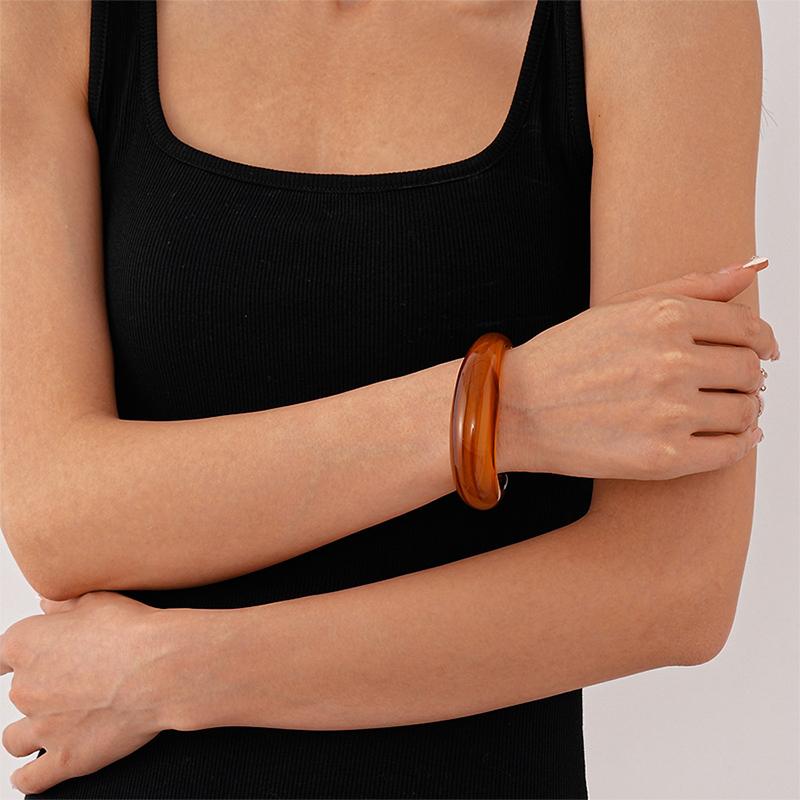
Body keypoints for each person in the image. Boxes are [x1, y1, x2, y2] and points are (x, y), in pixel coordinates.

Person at [0, 0, 777, 797]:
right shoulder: (52, 15)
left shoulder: (662, 18)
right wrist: (503, 410)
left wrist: (171, 673)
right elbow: (58, 516)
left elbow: (674, 586)